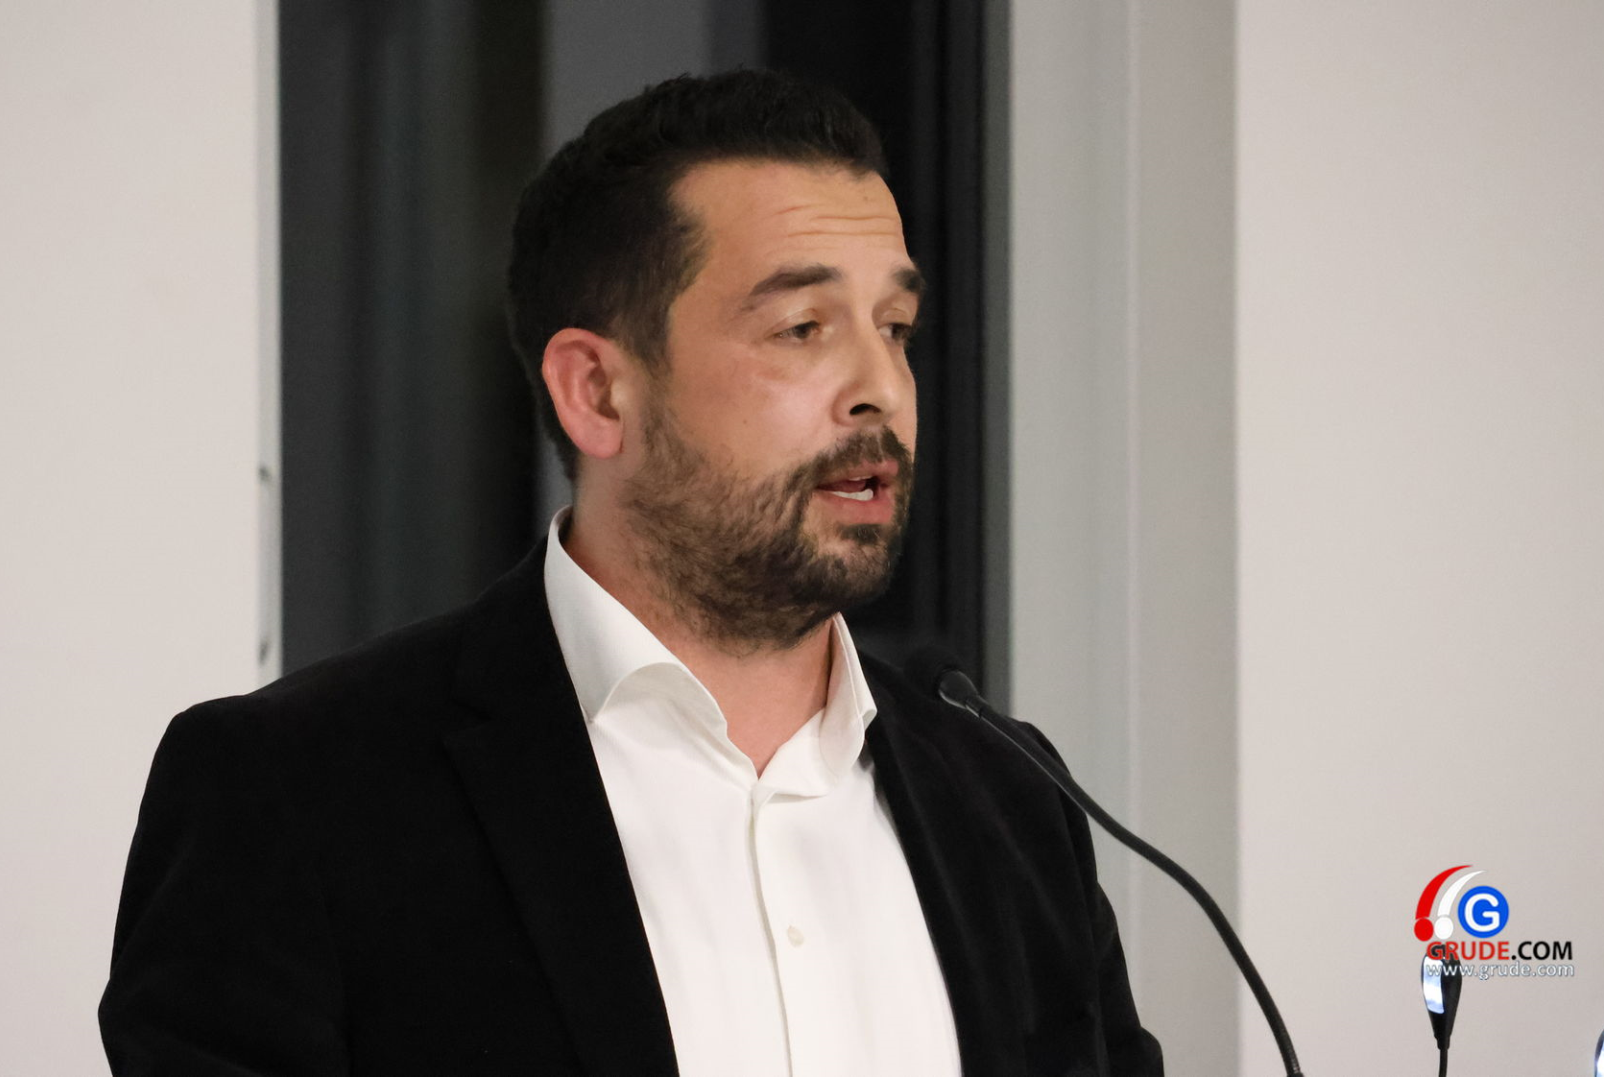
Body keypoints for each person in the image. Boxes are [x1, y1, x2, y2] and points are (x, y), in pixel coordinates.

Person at [98, 70, 1162, 1077]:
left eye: (896, 328)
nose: (880, 386)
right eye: (802, 328)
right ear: (598, 393)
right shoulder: (296, 795)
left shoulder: (1012, 799)